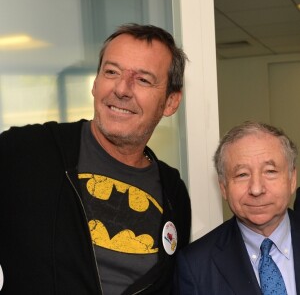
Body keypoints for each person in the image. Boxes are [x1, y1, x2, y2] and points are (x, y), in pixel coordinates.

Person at [0, 23, 191, 295]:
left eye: (143, 79)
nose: (122, 89)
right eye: (111, 72)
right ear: (95, 83)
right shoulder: (27, 152)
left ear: (171, 102)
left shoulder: (173, 192)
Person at [173, 121, 300, 295]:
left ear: (292, 180)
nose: (256, 189)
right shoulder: (195, 265)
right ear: (223, 187)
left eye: (270, 171)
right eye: (242, 175)